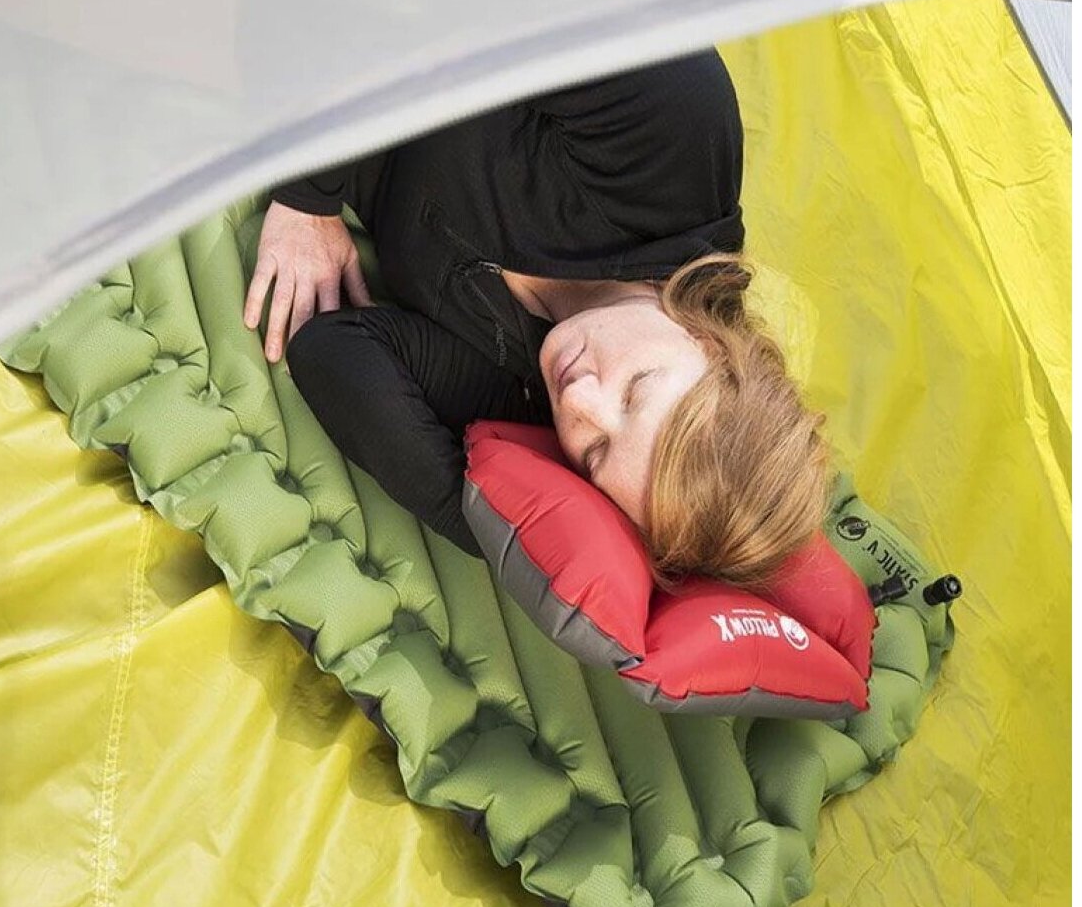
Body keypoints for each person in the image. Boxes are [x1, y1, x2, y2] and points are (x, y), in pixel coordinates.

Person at [244, 49, 829, 592]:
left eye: (597, 453)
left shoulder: (533, 396)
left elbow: (332, 349)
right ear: (711, 345)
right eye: (636, 390)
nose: (580, 402)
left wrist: (488, 527)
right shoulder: (673, 135)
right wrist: (309, 194)